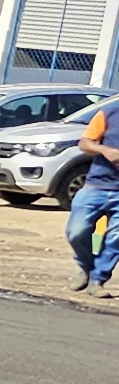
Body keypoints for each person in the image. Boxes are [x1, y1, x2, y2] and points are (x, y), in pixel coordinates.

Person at [69, 99, 119, 292]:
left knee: (116, 238)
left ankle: (97, 280)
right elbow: (85, 143)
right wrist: (104, 150)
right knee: (76, 232)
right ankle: (85, 267)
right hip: (96, 185)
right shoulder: (109, 113)